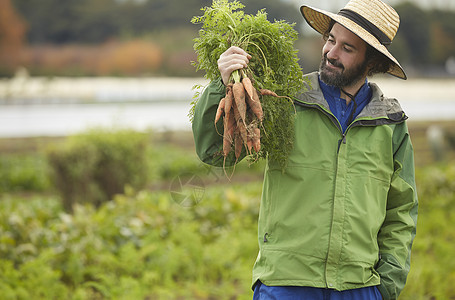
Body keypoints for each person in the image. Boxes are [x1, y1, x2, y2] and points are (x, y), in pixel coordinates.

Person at [191, 0, 418, 299]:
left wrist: (385, 287)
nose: (331, 53)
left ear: (372, 62)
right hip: (285, 283)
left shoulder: (390, 124)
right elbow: (214, 151)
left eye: (347, 48)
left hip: (360, 287)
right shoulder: (285, 101)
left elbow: (401, 212)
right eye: (331, 40)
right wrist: (223, 86)